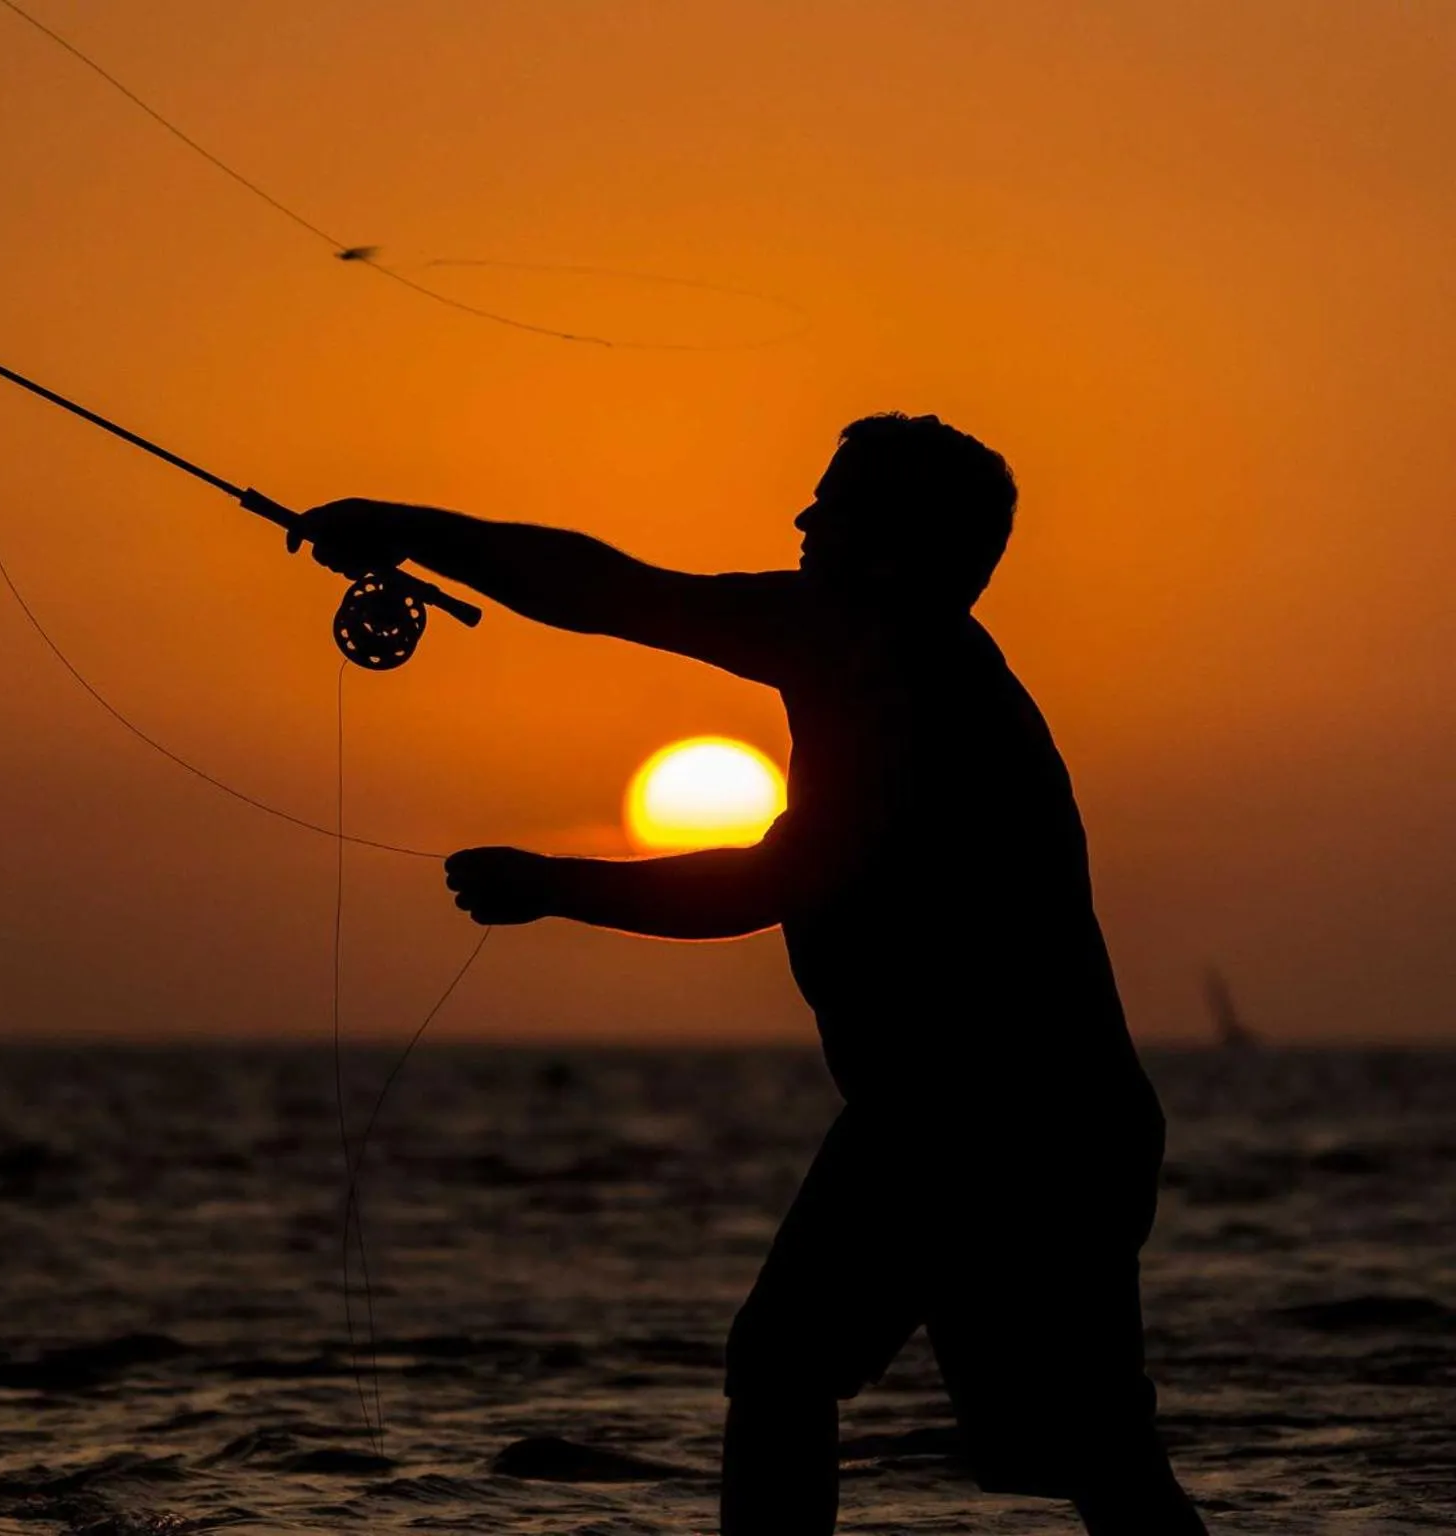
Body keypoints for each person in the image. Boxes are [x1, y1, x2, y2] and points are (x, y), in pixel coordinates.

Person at [293, 414, 1206, 1535]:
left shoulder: (874, 651)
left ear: (896, 540)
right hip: (1038, 1122)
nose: (802, 520)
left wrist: (553, 884)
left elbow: (631, 622)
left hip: (978, 1117)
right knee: (1088, 1455)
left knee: (791, 1365)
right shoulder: (915, 662)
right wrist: (412, 537)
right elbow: (619, 596)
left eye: (833, 506)